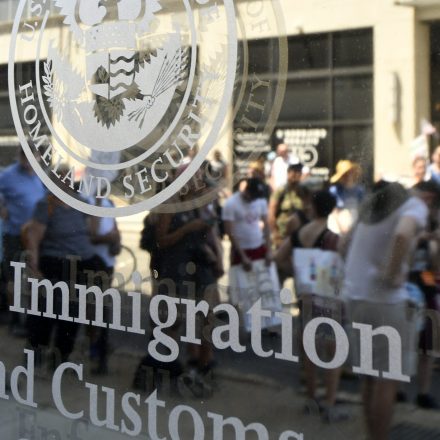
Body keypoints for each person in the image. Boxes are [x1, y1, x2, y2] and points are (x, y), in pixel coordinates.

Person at [343, 181, 428, 440]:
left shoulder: (373, 206)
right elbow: (403, 234)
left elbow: (343, 244)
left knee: (370, 378)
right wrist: (390, 273)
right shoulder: (415, 206)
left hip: (356, 297)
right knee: (386, 380)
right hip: (385, 302)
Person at [274, 190, 346, 422]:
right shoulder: (333, 238)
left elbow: (279, 257)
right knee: (333, 349)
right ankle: (330, 401)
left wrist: (298, 272)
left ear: (313, 208)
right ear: (332, 209)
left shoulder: (300, 233)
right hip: (328, 297)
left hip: (305, 295)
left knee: (310, 347)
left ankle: (312, 397)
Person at [24, 172, 105, 369]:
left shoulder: (78, 202)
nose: (65, 182)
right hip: (55, 263)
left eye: (67, 179)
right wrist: (33, 265)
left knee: (72, 313)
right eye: (60, 179)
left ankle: (60, 359)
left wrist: (98, 203)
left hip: (81, 264)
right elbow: (33, 236)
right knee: (46, 311)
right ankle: (36, 356)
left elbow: (93, 231)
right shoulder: (47, 204)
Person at [0, 149, 45, 332]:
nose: (28, 162)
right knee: (14, 279)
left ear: (38, 158)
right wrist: (2, 210)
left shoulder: (41, 176)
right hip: (15, 235)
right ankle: (16, 319)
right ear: (20, 157)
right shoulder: (9, 174)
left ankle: (31, 319)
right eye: (25, 157)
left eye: (32, 158)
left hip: (36, 236)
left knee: (34, 277)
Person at [222, 177, 272, 271]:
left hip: (259, 246)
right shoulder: (231, 203)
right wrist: (243, 256)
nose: (254, 199)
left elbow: (266, 226)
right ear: (247, 190)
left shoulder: (261, 201)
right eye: (252, 196)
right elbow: (230, 232)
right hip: (241, 249)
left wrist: (269, 250)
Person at [269, 163, 304, 248]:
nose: (297, 174)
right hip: (282, 235)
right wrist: (275, 234)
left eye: (299, 172)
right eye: (294, 172)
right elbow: (271, 214)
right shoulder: (281, 191)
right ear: (288, 173)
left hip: (298, 234)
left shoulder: (303, 192)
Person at [329, 160, 365, 235]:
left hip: (355, 227)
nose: (347, 176)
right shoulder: (334, 191)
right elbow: (334, 211)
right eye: (344, 175)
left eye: (349, 173)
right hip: (337, 228)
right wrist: (342, 228)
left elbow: (362, 211)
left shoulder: (360, 191)